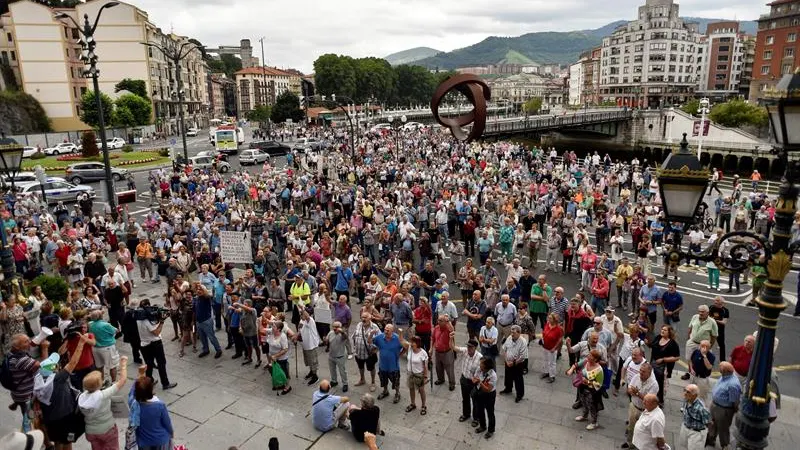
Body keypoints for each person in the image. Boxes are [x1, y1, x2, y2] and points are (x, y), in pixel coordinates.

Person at [78, 357, 129, 450]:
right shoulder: (103, 395)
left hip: (91, 432)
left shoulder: (82, 397)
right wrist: (123, 364)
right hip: (107, 430)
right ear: (99, 385)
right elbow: (122, 381)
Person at [137, 299, 177, 390]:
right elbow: (156, 332)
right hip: (155, 344)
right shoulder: (147, 321)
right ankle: (165, 383)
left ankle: (149, 381)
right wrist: (162, 321)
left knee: (149, 364)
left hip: (144, 344)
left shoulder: (139, 319)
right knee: (161, 363)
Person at [5, 334, 42, 432]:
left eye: (28, 339)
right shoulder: (21, 360)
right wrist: (45, 348)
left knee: (28, 413)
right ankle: (30, 436)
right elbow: (40, 365)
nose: (29, 342)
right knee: (31, 418)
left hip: (18, 393)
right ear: (17, 347)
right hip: (27, 396)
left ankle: (17, 403)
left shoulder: (11, 354)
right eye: (26, 341)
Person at [133, 370, 174, 450]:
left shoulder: (135, 406)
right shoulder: (160, 405)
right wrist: (171, 432)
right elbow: (166, 422)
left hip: (143, 441)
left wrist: (139, 375)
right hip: (160, 440)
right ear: (151, 390)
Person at [706, 362, 742, 450]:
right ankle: (711, 440)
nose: (719, 370)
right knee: (711, 423)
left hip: (723, 409)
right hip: (715, 405)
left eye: (720, 369)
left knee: (723, 428)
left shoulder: (733, 385)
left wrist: (734, 411)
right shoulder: (724, 376)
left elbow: (735, 401)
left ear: (725, 371)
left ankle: (725, 445)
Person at [622, 362, 659, 448]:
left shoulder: (654, 385)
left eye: (643, 372)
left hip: (645, 411)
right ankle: (629, 443)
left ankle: (639, 446)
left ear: (649, 373)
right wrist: (630, 391)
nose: (640, 373)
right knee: (631, 427)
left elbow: (648, 401)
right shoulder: (636, 377)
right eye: (640, 371)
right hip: (634, 407)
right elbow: (629, 388)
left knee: (642, 431)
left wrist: (637, 393)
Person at [568, 349, 604, 430]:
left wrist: (588, 382)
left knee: (592, 406)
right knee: (583, 402)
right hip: (582, 388)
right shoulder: (586, 361)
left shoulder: (599, 370)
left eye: (590, 355)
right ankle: (584, 416)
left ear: (595, 359)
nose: (588, 356)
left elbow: (599, 385)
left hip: (591, 392)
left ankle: (594, 422)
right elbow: (576, 365)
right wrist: (571, 370)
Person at [681, 305, 718, 381]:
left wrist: (710, 346)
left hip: (703, 345)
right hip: (692, 342)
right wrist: (689, 339)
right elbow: (690, 328)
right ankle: (689, 373)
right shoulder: (695, 317)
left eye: (703, 312)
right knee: (689, 359)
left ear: (707, 312)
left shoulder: (712, 322)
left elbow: (714, 336)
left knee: (704, 360)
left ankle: (702, 375)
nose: (700, 313)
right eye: (699, 311)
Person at [452, 337, 482, 425]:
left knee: (475, 400)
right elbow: (453, 348)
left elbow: (483, 372)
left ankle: (476, 418)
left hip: (474, 383)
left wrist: (476, 379)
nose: (469, 348)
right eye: (468, 346)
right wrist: (451, 338)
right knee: (465, 399)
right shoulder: (465, 351)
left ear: (475, 348)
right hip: (464, 379)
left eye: (471, 347)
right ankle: (466, 414)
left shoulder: (480, 357)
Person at [649, 324, 680, 405]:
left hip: (663, 368)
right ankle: (652, 397)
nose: (662, 331)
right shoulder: (658, 337)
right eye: (662, 329)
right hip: (653, 364)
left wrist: (663, 359)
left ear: (669, 333)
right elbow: (652, 345)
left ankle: (660, 401)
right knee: (652, 381)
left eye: (665, 330)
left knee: (660, 384)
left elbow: (677, 357)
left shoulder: (672, 343)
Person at [87, 310, 121, 383]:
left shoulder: (90, 324)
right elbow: (116, 331)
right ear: (100, 317)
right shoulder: (105, 325)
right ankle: (114, 382)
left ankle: (101, 382)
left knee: (99, 366)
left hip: (95, 348)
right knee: (112, 366)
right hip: (107, 348)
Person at [373, 324, 403, 404]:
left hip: (394, 367)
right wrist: (371, 335)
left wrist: (401, 354)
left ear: (392, 331)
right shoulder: (380, 337)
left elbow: (406, 347)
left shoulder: (397, 338)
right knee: (383, 381)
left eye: (388, 330)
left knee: (396, 382)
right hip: (382, 366)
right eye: (385, 329)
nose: (385, 331)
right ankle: (385, 391)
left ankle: (397, 393)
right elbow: (371, 341)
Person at [351, 312, 380, 391]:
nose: (363, 319)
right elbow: (354, 337)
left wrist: (376, 349)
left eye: (365, 317)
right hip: (359, 352)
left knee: (371, 368)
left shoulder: (375, 327)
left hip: (369, 353)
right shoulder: (359, 325)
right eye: (362, 317)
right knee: (360, 367)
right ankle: (362, 379)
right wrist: (354, 347)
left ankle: (373, 382)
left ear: (370, 318)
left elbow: (380, 340)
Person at [401, 336, 429, 415]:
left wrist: (425, 377)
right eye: (411, 342)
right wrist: (400, 333)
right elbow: (402, 341)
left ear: (417, 343)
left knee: (421, 390)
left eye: (413, 342)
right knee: (411, 389)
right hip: (410, 373)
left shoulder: (423, 353)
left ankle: (423, 406)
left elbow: (425, 366)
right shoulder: (410, 349)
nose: (411, 344)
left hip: (419, 375)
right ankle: (413, 404)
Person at [499, 325, 527, 403]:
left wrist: (514, 363)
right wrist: (506, 361)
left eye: (514, 332)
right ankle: (508, 388)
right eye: (511, 332)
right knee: (508, 376)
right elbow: (504, 349)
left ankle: (520, 394)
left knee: (518, 379)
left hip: (517, 364)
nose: (512, 334)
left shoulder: (523, 342)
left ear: (519, 333)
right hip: (508, 362)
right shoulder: (509, 338)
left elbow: (522, 356)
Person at [471, 357, 497, 439]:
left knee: (490, 412)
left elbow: (488, 389)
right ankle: (482, 426)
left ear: (486, 366)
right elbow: (474, 377)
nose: (480, 365)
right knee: (479, 410)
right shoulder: (479, 369)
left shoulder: (493, 375)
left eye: (481, 364)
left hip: (489, 395)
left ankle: (491, 430)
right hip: (479, 392)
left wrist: (480, 382)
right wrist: (474, 380)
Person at [679, 384, 711, 450]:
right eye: (685, 390)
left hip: (696, 433)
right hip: (685, 428)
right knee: (685, 446)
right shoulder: (686, 400)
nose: (685, 393)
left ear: (695, 395)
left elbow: (708, 422)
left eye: (688, 392)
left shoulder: (701, 408)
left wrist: (704, 436)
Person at [295, 308, 321, 385]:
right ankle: (311, 372)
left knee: (313, 361)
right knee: (308, 361)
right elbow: (299, 331)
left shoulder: (311, 321)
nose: (301, 315)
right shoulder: (301, 321)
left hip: (311, 345)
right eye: (301, 314)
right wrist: (295, 337)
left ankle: (315, 376)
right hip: (305, 345)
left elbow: (307, 316)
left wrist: (302, 308)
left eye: (302, 314)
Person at [325, 321, 353, 392]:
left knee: (342, 371)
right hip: (331, 355)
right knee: (332, 370)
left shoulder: (342, 335)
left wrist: (342, 332)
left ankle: (345, 384)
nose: (334, 328)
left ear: (340, 327)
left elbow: (346, 337)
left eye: (337, 327)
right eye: (333, 326)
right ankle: (334, 381)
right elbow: (328, 341)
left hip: (340, 356)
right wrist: (326, 344)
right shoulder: (331, 333)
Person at [432, 315, 456, 391]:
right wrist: (430, 348)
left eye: (441, 321)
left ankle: (452, 383)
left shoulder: (448, 328)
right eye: (438, 320)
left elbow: (452, 330)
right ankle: (441, 379)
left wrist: (448, 321)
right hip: (437, 351)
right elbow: (432, 338)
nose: (438, 322)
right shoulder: (436, 328)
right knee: (438, 367)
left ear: (445, 322)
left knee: (449, 369)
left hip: (447, 352)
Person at [540, 312, 563, 383]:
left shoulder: (559, 329)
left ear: (554, 320)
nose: (548, 319)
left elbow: (560, 340)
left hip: (552, 349)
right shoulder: (547, 324)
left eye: (550, 318)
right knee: (545, 360)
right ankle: (546, 372)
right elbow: (543, 332)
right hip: (545, 346)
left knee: (552, 363)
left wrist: (555, 348)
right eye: (548, 317)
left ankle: (552, 376)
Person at [708, 295, 729, 362]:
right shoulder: (711, 307)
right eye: (715, 301)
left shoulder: (725, 310)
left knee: (721, 345)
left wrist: (715, 321)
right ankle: (707, 356)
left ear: (721, 303)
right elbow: (707, 316)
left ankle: (722, 360)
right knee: (708, 343)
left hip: (719, 330)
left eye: (717, 302)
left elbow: (724, 322)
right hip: (710, 328)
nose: (715, 303)